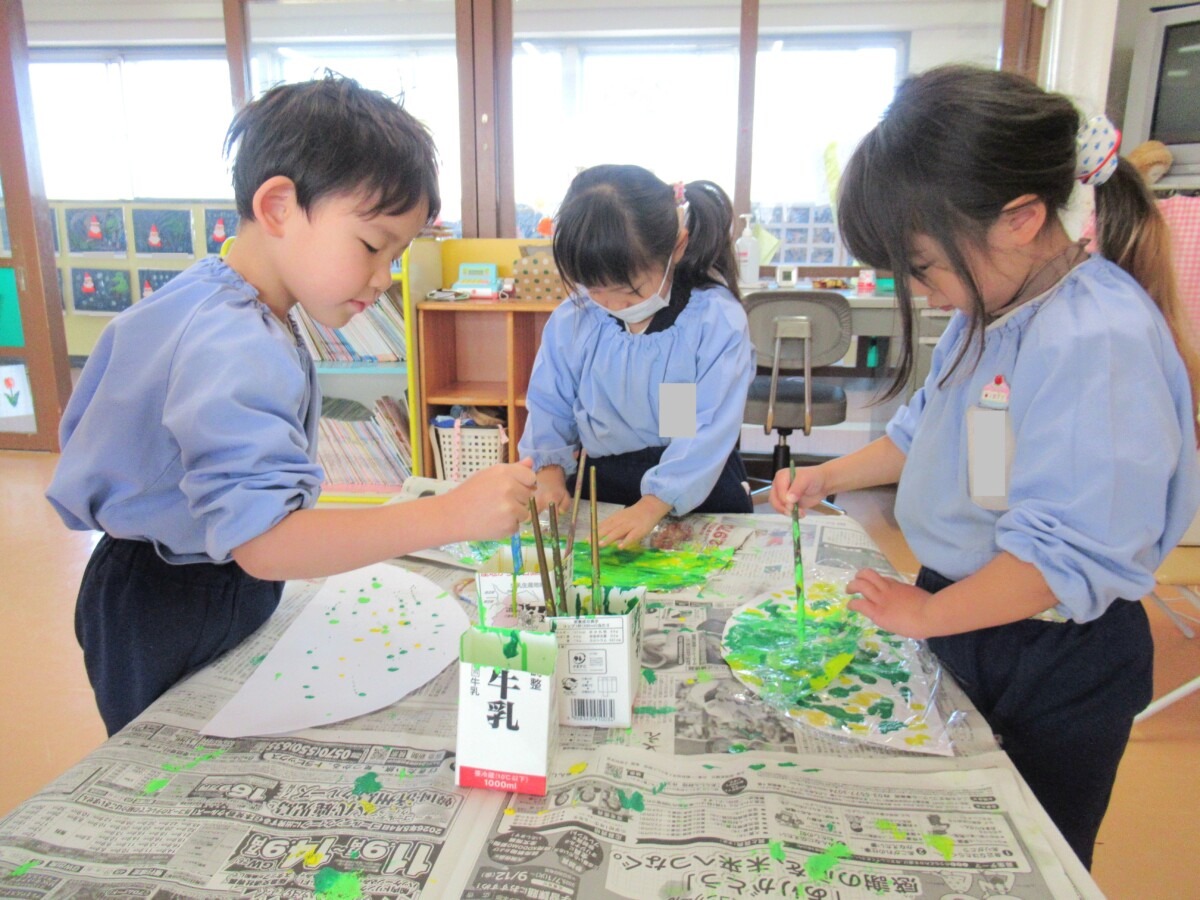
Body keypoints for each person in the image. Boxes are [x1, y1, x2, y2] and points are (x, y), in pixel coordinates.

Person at [771, 65, 1200, 869]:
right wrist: (829, 478)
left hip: (1052, 651)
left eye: (924, 267)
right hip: (972, 613)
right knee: (949, 830)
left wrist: (927, 615)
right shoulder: (993, 312)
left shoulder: (1096, 339)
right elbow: (923, 435)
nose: (924, 292)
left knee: (1029, 854)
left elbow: (1061, 557)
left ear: (1022, 219)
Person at [46, 74, 536, 736]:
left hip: (171, 579)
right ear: (278, 207)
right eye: (372, 246)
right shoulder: (235, 341)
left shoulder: (216, 300)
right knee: (175, 756)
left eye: (397, 256)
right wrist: (449, 515)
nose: (382, 278)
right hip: (174, 598)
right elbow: (266, 544)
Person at [519, 164, 755, 548]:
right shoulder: (575, 320)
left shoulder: (711, 321)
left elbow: (706, 429)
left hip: (694, 485)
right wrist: (548, 473)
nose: (612, 304)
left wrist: (654, 503)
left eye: (629, 292)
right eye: (595, 289)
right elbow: (550, 405)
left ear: (678, 247)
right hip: (603, 484)